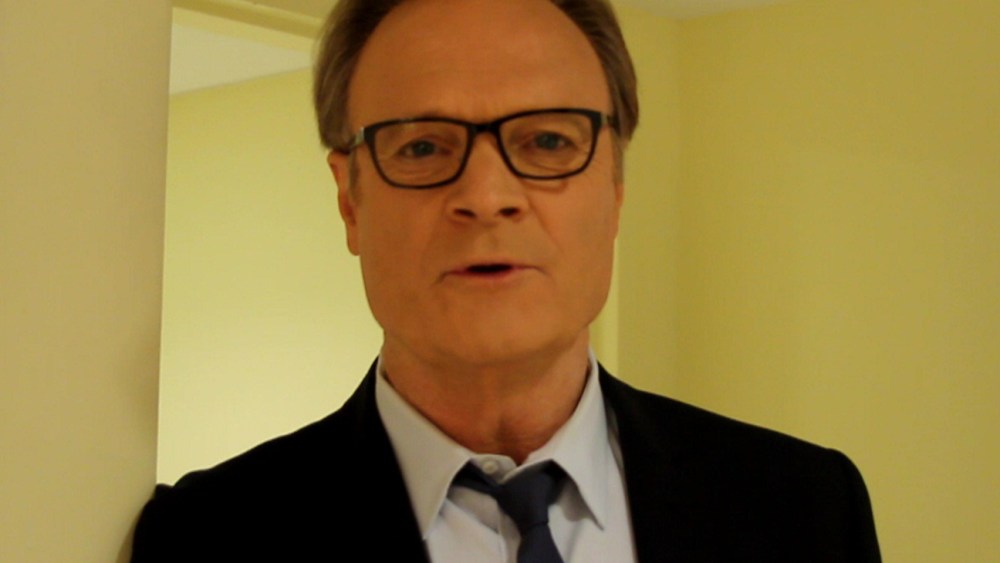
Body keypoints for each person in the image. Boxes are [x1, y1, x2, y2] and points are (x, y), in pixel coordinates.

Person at [131, 0, 881, 561]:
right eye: (422, 147)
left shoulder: (806, 507)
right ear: (349, 201)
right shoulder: (205, 538)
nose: (487, 196)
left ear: (616, 188)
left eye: (548, 140)